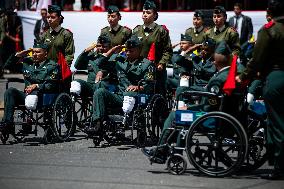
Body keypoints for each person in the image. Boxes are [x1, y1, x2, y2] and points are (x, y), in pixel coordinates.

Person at [142, 41, 242, 163]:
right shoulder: (231, 73)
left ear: (216, 61)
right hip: (224, 116)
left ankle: (161, 151)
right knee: (181, 115)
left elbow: (208, 107)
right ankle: (170, 151)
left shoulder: (219, 79)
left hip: (212, 118)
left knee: (175, 115)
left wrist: (190, 107)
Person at [236, 0, 284, 180]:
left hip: (276, 78)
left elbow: (257, 58)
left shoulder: (269, 30)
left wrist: (243, 75)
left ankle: (280, 167)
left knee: (277, 124)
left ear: (269, 12)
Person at [84, 35, 154, 143]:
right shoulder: (120, 61)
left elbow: (150, 85)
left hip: (137, 96)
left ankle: (126, 124)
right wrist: (112, 51)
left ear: (139, 50)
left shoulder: (146, 64)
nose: (128, 53)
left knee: (129, 94)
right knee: (100, 92)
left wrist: (139, 87)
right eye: (127, 51)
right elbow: (98, 63)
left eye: (131, 51)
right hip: (120, 95)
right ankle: (97, 125)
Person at [0, 42, 60, 134]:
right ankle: (7, 123)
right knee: (10, 91)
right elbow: (7, 66)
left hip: (43, 98)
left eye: (38, 52)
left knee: (36, 95)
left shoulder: (52, 66)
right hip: (27, 96)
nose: (35, 55)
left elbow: (52, 85)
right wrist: (18, 55)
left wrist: (37, 85)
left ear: (45, 54)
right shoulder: (27, 63)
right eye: (33, 52)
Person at [132, 0, 173, 95]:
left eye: (148, 13)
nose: (145, 15)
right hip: (140, 70)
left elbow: (168, 51)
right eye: (143, 12)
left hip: (157, 70)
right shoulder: (136, 30)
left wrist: (162, 63)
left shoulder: (161, 31)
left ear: (155, 15)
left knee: (158, 97)